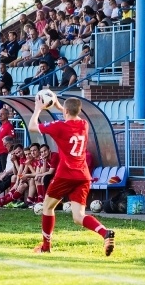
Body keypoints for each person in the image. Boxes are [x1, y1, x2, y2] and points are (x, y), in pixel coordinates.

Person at [28, 96, 115, 255]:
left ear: (66, 111)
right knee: (78, 216)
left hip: (65, 174)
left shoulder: (59, 126)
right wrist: (60, 106)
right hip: (83, 175)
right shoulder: (84, 124)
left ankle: (46, 247)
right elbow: (72, 113)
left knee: (47, 207)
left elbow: (32, 126)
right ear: (78, 111)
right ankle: (105, 233)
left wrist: (39, 108)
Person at [0, 108, 15, 173]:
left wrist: (6, 138)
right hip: (0, 152)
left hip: (5, 152)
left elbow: (13, 136)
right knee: (1, 171)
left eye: (2, 114)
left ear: (7, 115)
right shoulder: (2, 126)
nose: (0, 116)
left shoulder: (9, 126)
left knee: (5, 171)